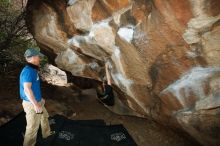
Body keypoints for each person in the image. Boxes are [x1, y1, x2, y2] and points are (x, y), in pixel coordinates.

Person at [19, 48, 54, 146]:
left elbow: (33, 86)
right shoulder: (28, 71)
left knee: (44, 118)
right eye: (38, 56)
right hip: (31, 104)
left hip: (38, 101)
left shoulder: (33, 69)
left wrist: (40, 100)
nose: (39, 58)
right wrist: (35, 104)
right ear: (33, 58)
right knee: (32, 127)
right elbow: (27, 89)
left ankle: (46, 134)